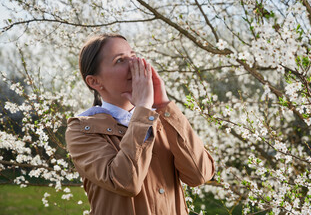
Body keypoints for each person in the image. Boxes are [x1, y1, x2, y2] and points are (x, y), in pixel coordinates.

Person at [65, 34, 215, 215]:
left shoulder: (161, 118)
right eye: (120, 60)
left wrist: (162, 104)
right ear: (95, 81)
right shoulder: (81, 129)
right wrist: (143, 109)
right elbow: (125, 182)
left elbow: (200, 174)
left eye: (133, 55)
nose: (134, 64)